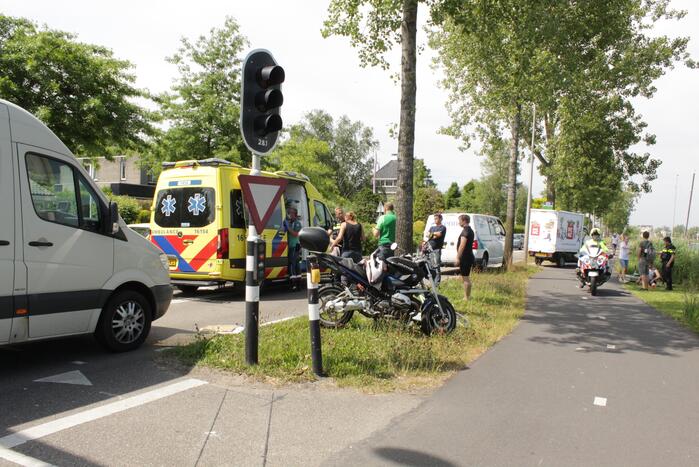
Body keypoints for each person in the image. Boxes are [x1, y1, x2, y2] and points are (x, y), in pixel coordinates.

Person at [455, 214, 475, 301]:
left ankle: (466, 297)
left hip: (465, 257)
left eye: (459, 220)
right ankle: (467, 296)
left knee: (465, 278)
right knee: (466, 277)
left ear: (464, 221)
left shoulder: (465, 231)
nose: (459, 222)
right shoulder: (470, 230)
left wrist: (458, 257)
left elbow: (462, 246)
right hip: (468, 256)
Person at [283, 207, 302, 285]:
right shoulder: (290, 222)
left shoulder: (297, 223)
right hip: (291, 246)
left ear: (295, 214)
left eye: (291, 213)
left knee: (292, 263)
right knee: (295, 263)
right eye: (288, 213)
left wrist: (288, 227)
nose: (289, 215)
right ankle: (297, 282)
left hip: (295, 245)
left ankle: (294, 283)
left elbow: (295, 234)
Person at [426, 213, 447, 283]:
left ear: (440, 219)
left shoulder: (443, 227)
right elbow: (427, 234)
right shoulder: (432, 227)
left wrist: (432, 234)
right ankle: (432, 282)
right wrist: (433, 234)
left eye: (436, 218)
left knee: (436, 266)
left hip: (436, 249)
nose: (435, 220)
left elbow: (438, 235)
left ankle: (437, 283)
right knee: (430, 266)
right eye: (434, 219)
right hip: (429, 249)